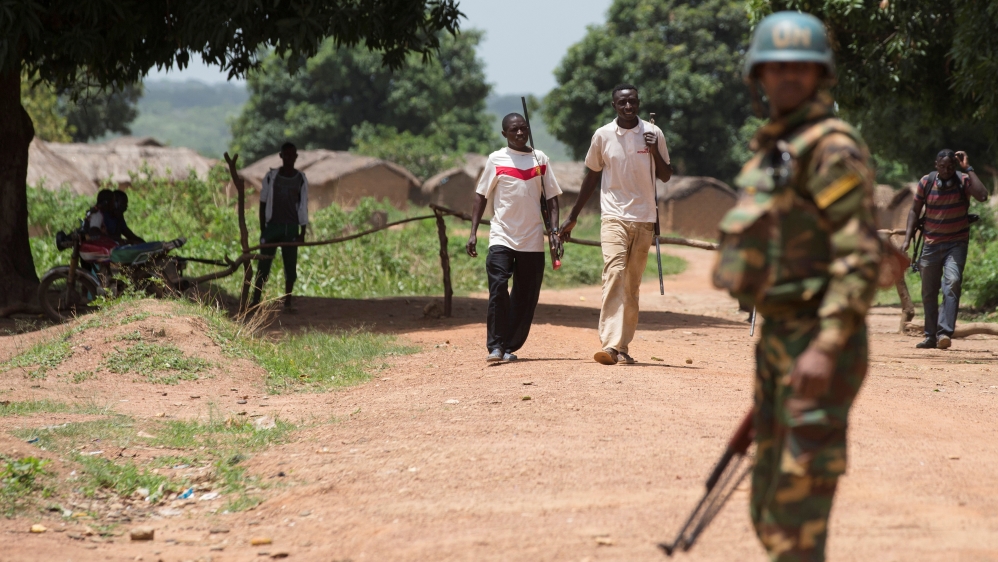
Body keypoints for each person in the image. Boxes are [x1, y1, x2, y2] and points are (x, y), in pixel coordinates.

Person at [713, 12, 883, 561]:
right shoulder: (777, 146)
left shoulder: (831, 147)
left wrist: (828, 344)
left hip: (818, 338)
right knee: (767, 505)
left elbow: (859, 254)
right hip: (781, 337)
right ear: (758, 74)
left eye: (801, 66)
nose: (788, 76)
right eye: (776, 65)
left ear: (820, 75)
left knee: (797, 512)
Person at [559, 83, 672, 365]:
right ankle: (609, 345)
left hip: (644, 217)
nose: (628, 107)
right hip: (613, 217)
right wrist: (573, 215)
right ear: (614, 106)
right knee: (614, 274)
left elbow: (666, 175)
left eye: (632, 102)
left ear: (639, 102)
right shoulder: (603, 135)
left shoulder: (653, 132)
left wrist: (653, 149)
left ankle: (623, 347)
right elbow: (592, 176)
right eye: (622, 103)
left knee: (631, 284)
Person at [466, 113, 562, 362]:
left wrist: (554, 232)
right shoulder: (496, 160)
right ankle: (495, 347)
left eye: (523, 128)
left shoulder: (540, 159)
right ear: (504, 134)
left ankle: (510, 345)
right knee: (498, 289)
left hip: (532, 239)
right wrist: (473, 232)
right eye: (513, 130)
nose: (519, 133)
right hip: (502, 236)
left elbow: (551, 198)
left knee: (526, 293)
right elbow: (481, 195)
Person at [901, 149, 988, 349]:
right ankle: (930, 336)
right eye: (942, 167)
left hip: (956, 243)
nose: (947, 170)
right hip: (931, 244)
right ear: (936, 165)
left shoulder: (964, 180)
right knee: (928, 291)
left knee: (953, 283)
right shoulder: (926, 182)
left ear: (955, 166)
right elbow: (914, 211)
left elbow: (982, 196)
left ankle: (944, 334)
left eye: (951, 167)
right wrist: (907, 239)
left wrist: (968, 168)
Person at [250, 142, 309, 312]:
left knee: (290, 265)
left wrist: (302, 233)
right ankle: (255, 301)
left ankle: (287, 302)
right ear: (281, 156)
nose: (289, 158)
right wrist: (263, 230)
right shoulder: (271, 177)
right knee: (264, 265)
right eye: (286, 155)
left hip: (291, 228)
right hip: (272, 227)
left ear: (296, 157)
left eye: (292, 155)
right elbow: (262, 204)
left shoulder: (301, 179)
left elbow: (303, 206)